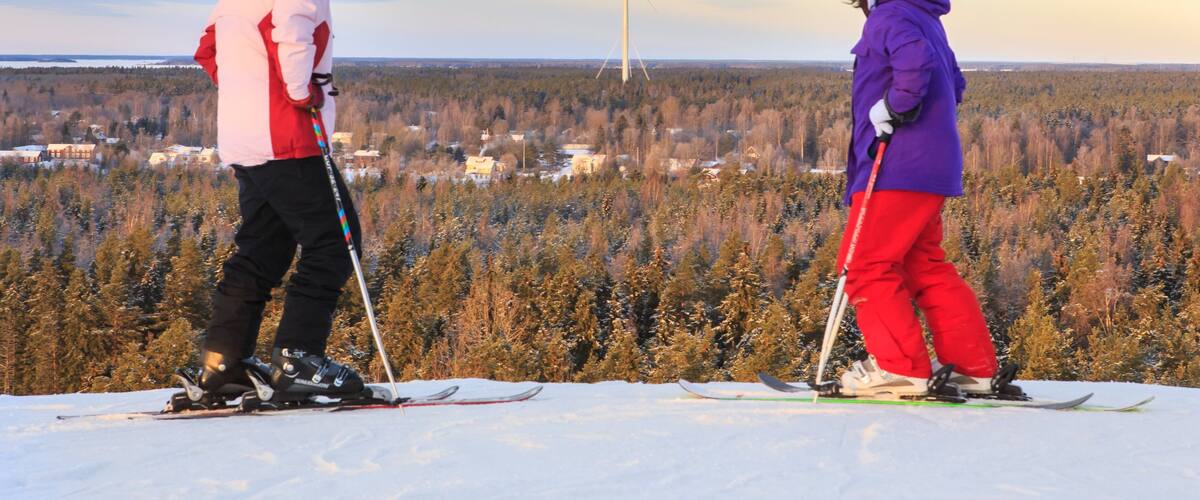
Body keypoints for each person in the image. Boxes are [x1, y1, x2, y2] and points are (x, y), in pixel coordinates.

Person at [188, 0, 367, 404]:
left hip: (244, 139)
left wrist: (247, 86)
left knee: (262, 249)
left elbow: (207, 49)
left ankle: (222, 363)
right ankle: (298, 360)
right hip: (287, 138)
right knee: (335, 242)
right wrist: (300, 90)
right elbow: (291, 36)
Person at [836, 0, 1001, 397]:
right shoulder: (922, 17)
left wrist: (894, 106)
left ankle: (899, 369)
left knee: (865, 265)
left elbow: (916, 63)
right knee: (923, 264)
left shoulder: (890, 15)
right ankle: (972, 369)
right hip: (930, 166)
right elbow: (955, 82)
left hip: (896, 166)